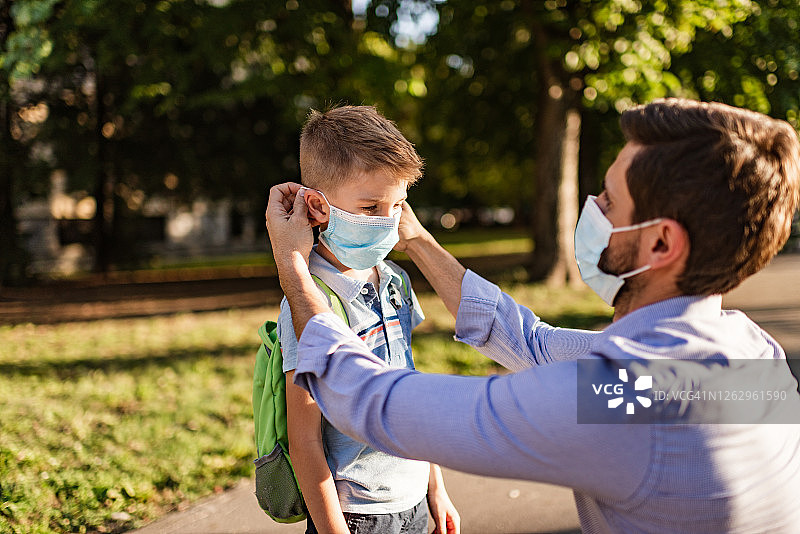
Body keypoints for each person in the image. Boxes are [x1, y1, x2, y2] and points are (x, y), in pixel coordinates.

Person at [266, 98, 800, 533]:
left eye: (610, 201)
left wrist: (292, 265)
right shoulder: (748, 356)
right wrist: (419, 240)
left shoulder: (606, 402)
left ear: (662, 241)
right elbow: (533, 345)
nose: (591, 204)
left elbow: (383, 406)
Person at [275, 105, 460, 534]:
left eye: (397, 204)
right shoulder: (307, 300)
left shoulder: (395, 279)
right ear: (318, 207)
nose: (388, 222)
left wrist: (436, 487)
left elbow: (410, 387)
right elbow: (305, 440)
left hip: (412, 499)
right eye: (370, 206)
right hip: (359, 515)